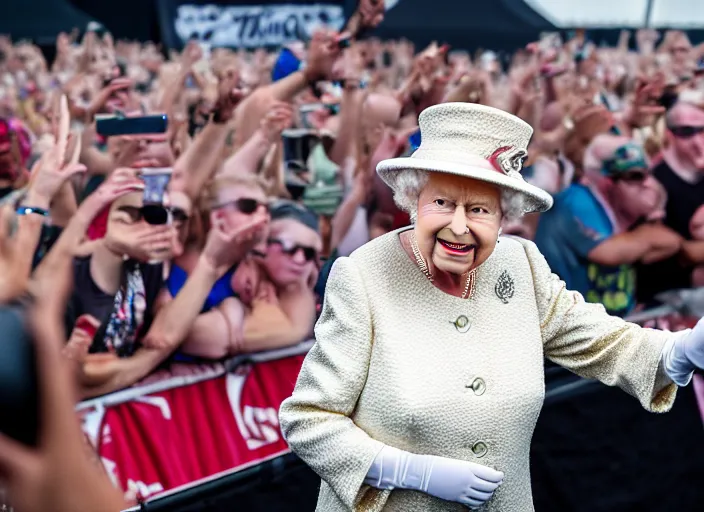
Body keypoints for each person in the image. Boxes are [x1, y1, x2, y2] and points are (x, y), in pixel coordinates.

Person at [279, 102, 704, 512]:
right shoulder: (363, 276)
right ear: (413, 200)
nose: (458, 226)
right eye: (442, 203)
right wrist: (405, 471)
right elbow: (309, 418)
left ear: (504, 215)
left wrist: (679, 350)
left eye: (479, 209)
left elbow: (598, 338)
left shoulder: (520, 263)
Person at [534, 134, 680, 317]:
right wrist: (645, 235)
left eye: (648, 174)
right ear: (606, 182)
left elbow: (671, 244)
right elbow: (607, 253)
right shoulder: (576, 200)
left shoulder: (625, 213)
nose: (648, 184)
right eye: (635, 176)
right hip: (566, 322)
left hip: (615, 320)